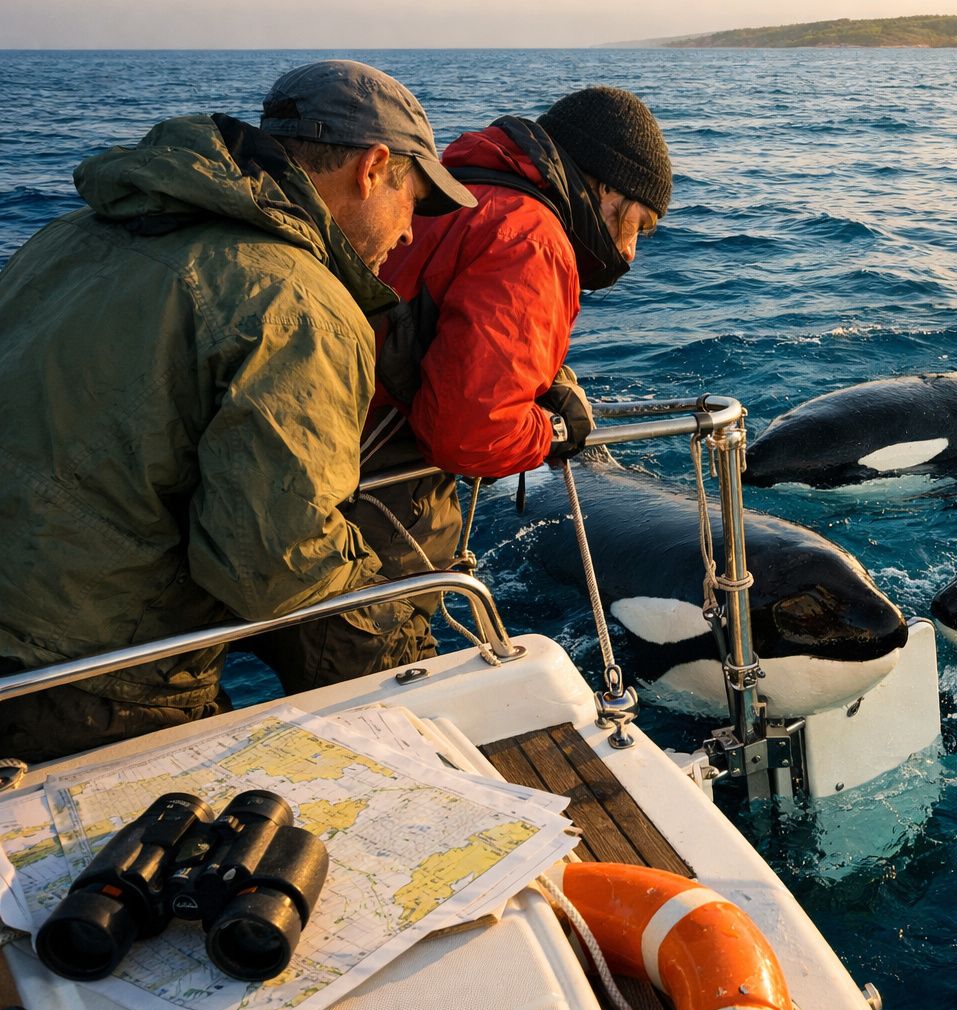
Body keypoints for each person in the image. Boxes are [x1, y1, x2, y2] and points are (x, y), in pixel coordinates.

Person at [0, 60, 477, 763]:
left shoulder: (70, 236)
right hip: (101, 679)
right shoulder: (297, 302)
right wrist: (409, 652)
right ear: (373, 168)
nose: (410, 235)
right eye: (414, 201)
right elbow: (276, 565)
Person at [251, 86, 672, 694]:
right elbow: (472, 435)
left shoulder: (457, 193)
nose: (628, 251)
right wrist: (555, 430)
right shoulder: (529, 235)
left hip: (287, 487)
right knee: (391, 707)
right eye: (637, 225)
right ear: (604, 187)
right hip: (369, 523)